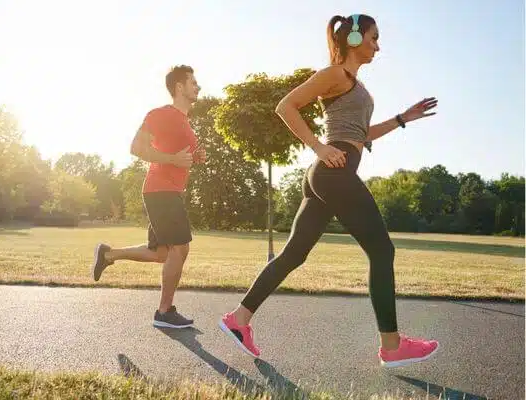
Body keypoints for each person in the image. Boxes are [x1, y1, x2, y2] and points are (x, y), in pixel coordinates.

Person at [219, 14, 440, 367]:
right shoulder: (335, 73)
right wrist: (318, 147)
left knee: (294, 254)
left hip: (326, 175)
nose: (377, 46)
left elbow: (360, 135)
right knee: (382, 251)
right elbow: (285, 106)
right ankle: (392, 345)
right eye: (373, 38)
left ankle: (239, 319)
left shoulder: (354, 83)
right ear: (354, 38)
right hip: (331, 171)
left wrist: (402, 119)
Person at [91, 65, 206, 329]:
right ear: (179, 87)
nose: (198, 86)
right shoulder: (161, 115)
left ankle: (108, 255)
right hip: (160, 189)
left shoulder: (185, 122)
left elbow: (181, 156)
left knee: (161, 253)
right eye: (193, 82)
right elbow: (136, 148)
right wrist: (173, 159)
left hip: (170, 190)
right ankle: (164, 313)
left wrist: (195, 158)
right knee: (181, 248)